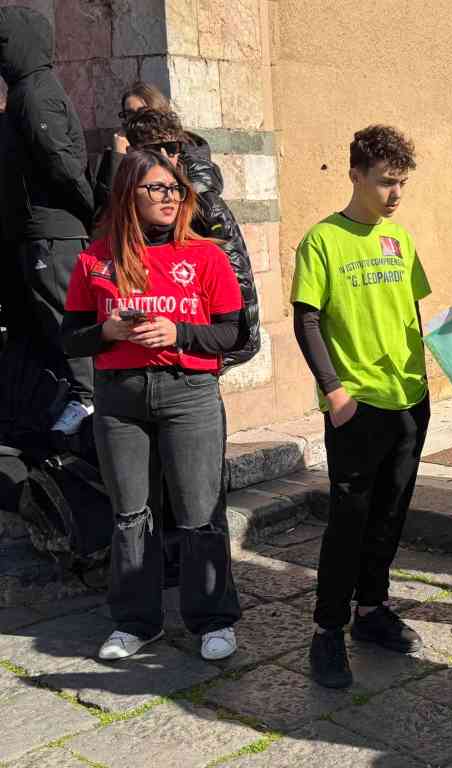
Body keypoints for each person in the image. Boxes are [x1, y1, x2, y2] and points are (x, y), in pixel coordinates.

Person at [61, 150, 244, 662]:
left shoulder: (206, 256)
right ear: (128, 194)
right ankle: (136, 623)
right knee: (129, 514)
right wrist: (108, 331)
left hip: (189, 392)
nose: (170, 199)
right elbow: (70, 340)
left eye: (175, 190)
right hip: (119, 398)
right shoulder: (93, 259)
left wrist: (178, 331)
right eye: (157, 189)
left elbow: (234, 331)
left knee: (199, 512)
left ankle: (212, 619)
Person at [291, 125, 430, 689]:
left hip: (407, 400)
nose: (395, 194)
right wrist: (334, 391)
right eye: (385, 182)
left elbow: (411, 313)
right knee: (349, 521)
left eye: (402, 182)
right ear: (355, 176)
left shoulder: (400, 238)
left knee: (391, 513)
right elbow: (307, 319)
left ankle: (371, 611)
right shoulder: (322, 239)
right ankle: (327, 630)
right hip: (356, 405)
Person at [0, 6, 95, 436]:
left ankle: (88, 399)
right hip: (35, 231)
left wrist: (92, 209)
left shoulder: (36, 92)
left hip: (54, 234)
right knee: (39, 324)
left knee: (64, 318)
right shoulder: (25, 91)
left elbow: (59, 162)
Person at [123, 108, 259, 367]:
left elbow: (238, 280)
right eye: (154, 149)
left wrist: (225, 349)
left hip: (198, 352)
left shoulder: (202, 203)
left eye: (172, 148)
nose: (164, 157)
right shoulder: (123, 202)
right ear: (134, 152)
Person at [92, 82, 172, 222]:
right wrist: (117, 157)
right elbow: (106, 206)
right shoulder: (115, 153)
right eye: (129, 114)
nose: (135, 120)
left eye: (141, 112)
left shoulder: (176, 148)